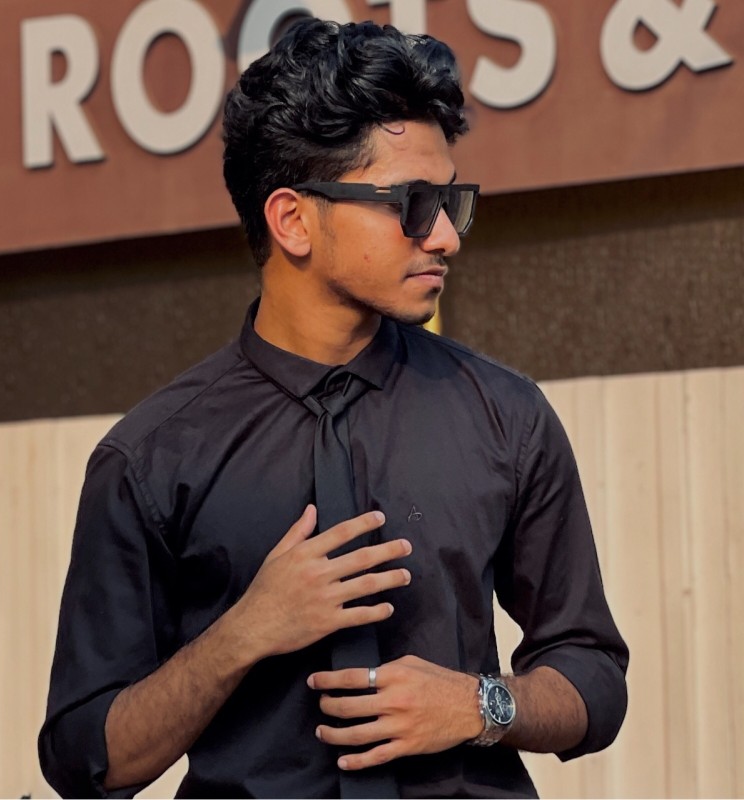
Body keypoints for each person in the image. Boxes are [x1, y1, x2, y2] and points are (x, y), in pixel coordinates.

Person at [39, 17, 628, 799]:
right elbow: (84, 758)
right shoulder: (149, 459)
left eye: (451, 200)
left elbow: (593, 673)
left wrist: (483, 706)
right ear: (292, 220)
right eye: (413, 203)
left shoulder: (506, 416)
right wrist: (241, 636)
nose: (445, 236)